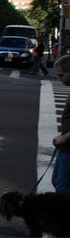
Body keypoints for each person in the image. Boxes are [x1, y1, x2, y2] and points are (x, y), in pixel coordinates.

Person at [52, 55, 70, 191]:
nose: (59, 79)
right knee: (57, 181)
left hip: (68, 147)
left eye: (61, 75)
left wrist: (64, 137)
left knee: (62, 187)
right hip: (65, 147)